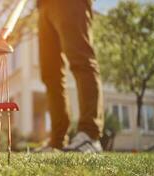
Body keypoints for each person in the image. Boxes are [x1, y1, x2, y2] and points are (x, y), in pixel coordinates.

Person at [37, 0, 104, 152]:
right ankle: (57, 140)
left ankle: (90, 134)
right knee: (50, 75)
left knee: (81, 61)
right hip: (43, 6)